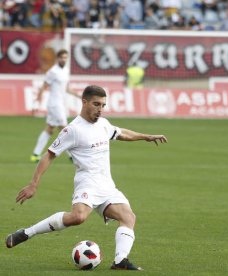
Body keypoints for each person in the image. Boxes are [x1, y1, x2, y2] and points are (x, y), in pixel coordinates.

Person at [5, 85, 168, 270]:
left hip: (107, 185)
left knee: (128, 217)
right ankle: (26, 233)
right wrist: (33, 184)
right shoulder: (72, 130)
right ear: (84, 102)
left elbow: (121, 133)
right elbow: (49, 155)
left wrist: (146, 136)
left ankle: (120, 261)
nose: (100, 109)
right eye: (96, 104)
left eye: (103, 105)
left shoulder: (103, 124)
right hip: (87, 183)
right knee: (78, 217)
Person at [30, 49, 79, 163]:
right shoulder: (53, 71)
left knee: (50, 129)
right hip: (54, 104)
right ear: (57, 58)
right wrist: (37, 102)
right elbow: (44, 86)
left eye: (66, 57)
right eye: (62, 57)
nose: (64, 59)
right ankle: (72, 155)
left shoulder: (65, 71)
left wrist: (79, 95)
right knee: (65, 129)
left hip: (60, 104)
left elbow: (66, 88)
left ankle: (35, 154)